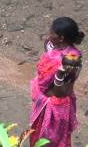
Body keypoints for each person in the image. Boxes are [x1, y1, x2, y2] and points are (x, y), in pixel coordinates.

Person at [30, 17, 85, 146]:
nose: (49, 35)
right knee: (48, 136)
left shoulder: (70, 61)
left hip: (54, 107)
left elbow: (60, 92)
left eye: (51, 33)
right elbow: (50, 52)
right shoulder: (61, 49)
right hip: (52, 103)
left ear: (60, 38)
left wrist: (59, 74)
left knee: (49, 139)